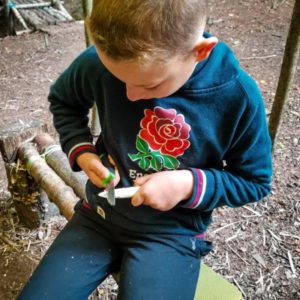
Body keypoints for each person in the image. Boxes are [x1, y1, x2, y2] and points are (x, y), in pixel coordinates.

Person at [18, 0, 272, 299]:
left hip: (171, 234)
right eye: (118, 78)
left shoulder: (237, 97)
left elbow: (254, 181)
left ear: (200, 51)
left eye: (150, 85)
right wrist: (83, 153)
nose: (131, 94)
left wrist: (187, 184)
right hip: (99, 216)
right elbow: (65, 101)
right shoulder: (103, 59)